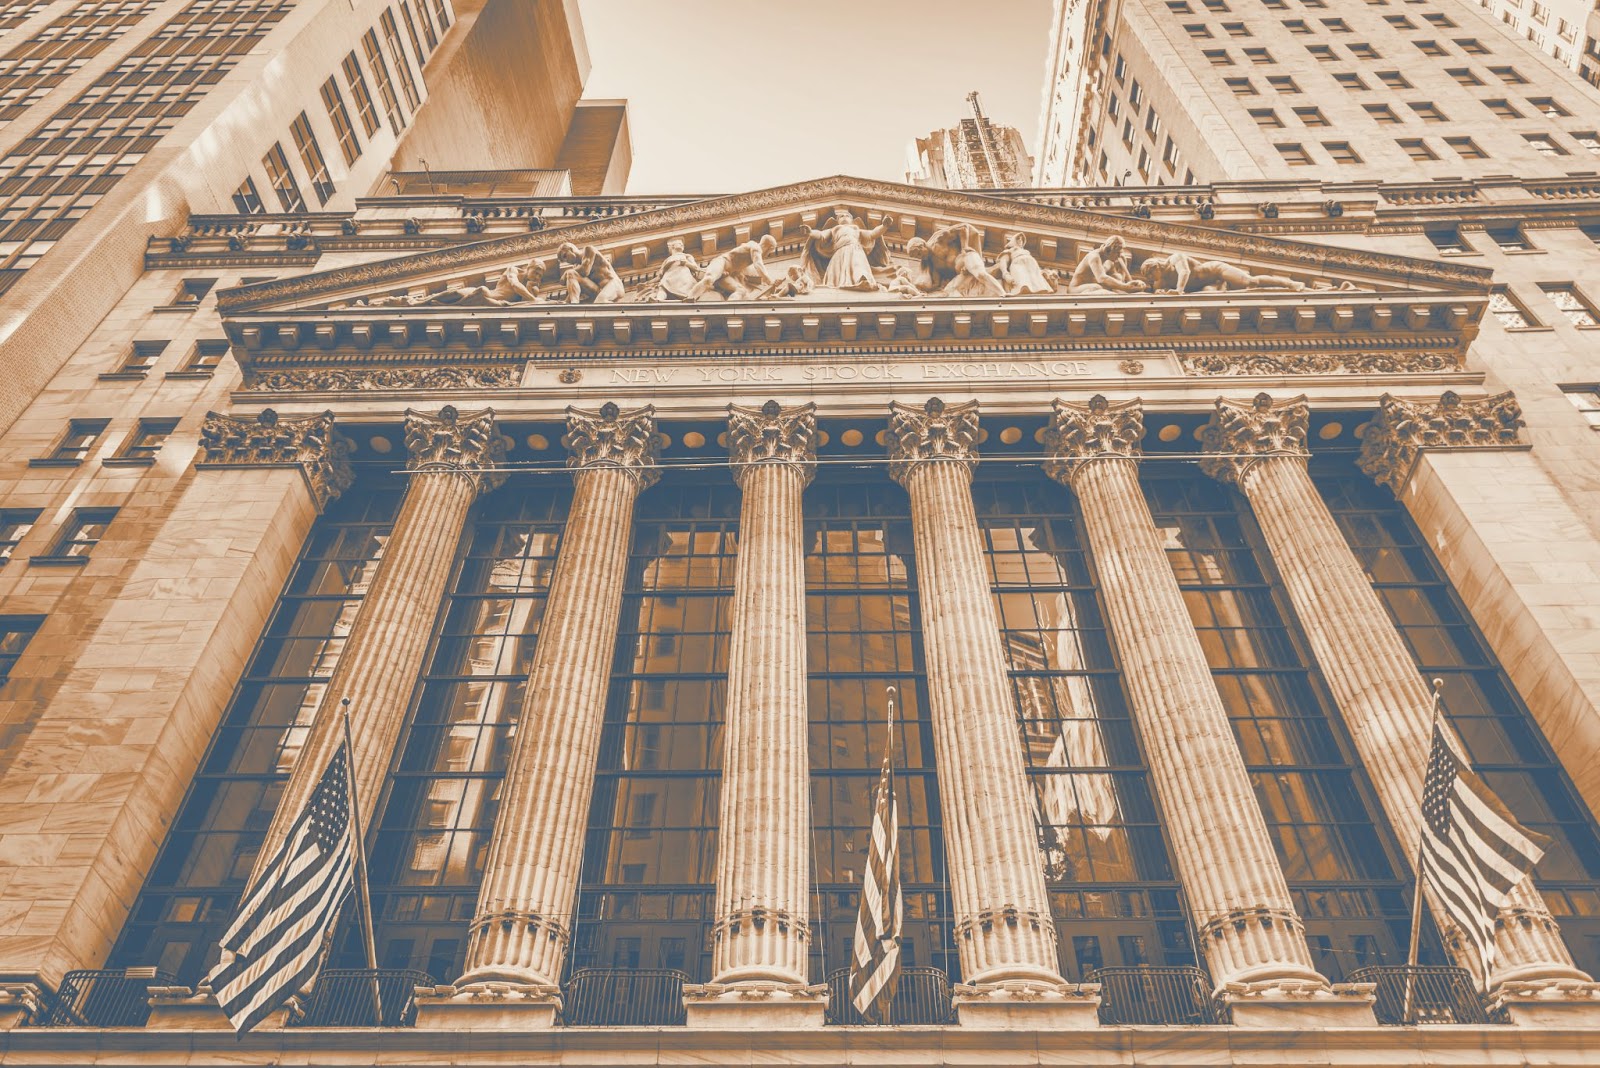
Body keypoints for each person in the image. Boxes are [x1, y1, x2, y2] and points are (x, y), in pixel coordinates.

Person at [800, 208, 894, 290]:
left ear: (851, 220)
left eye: (847, 216)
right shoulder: (835, 230)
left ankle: (861, 279)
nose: (844, 217)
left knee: (858, 264)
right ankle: (836, 283)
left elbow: (872, 234)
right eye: (841, 216)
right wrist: (810, 232)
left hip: (855, 250)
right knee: (836, 270)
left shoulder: (856, 230)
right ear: (837, 220)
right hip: (839, 252)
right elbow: (821, 235)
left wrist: (884, 226)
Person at [1137, 250, 1309, 293]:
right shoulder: (1162, 282)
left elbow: (1184, 273)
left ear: (1155, 267)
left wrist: (1178, 291)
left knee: (1250, 282)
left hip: (1216, 272)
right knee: (1208, 295)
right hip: (1209, 285)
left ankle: (1291, 284)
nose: (1151, 280)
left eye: (1150, 276)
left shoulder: (1174, 258)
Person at [686, 234, 779, 301]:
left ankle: (730, 309)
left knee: (741, 291)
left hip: (726, 274)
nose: (767, 255)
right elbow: (758, 265)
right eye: (770, 251)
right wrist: (770, 281)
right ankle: (690, 298)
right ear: (769, 247)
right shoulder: (755, 247)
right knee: (709, 279)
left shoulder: (750, 250)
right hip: (722, 262)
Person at [1068, 235, 1147, 294]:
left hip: (1096, 288)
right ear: (1108, 251)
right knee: (1097, 288)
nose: (1119, 256)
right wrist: (1126, 287)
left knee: (1110, 290)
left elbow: (1118, 281)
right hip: (1076, 290)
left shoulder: (1110, 261)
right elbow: (1102, 279)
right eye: (1117, 253)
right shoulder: (1094, 257)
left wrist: (1135, 285)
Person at [556, 241, 625, 304]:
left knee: (600, 302)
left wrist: (565, 273)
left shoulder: (588, 250)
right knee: (571, 274)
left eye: (565, 256)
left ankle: (621, 312)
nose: (567, 261)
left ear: (571, 249)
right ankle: (574, 304)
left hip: (614, 284)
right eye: (564, 260)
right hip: (599, 291)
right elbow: (574, 289)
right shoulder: (576, 268)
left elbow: (585, 270)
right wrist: (566, 302)